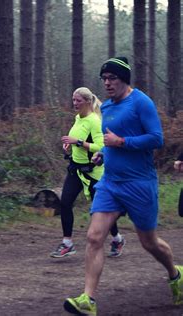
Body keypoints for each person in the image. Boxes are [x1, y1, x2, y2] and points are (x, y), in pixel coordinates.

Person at [64, 57, 183, 315]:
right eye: (104, 79)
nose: (107, 83)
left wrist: (122, 142)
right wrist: (103, 153)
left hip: (139, 183)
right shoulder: (106, 107)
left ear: (124, 79)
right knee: (95, 236)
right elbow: (108, 141)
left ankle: (176, 275)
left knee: (149, 242)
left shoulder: (141, 102)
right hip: (111, 183)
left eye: (112, 78)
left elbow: (156, 139)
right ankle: (88, 299)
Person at [50, 87, 125, 259]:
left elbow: (101, 147)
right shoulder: (78, 118)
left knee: (102, 210)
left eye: (78, 101)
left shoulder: (94, 121)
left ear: (88, 102)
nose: (75, 104)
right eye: (73, 100)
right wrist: (68, 146)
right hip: (76, 170)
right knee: (65, 203)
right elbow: (76, 143)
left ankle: (117, 239)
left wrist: (78, 141)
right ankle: (67, 243)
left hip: (93, 173)